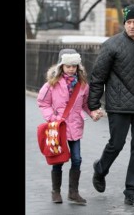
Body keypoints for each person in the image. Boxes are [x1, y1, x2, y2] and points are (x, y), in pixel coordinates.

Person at [87, 4, 134, 208]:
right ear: (124, 24)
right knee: (116, 144)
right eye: (128, 22)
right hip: (118, 105)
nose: (131, 26)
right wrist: (93, 105)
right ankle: (100, 169)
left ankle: (131, 191)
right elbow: (98, 77)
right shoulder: (111, 45)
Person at [37, 48, 103, 204]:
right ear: (61, 66)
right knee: (58, 159)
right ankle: (56, 192)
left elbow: (85, 104)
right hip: (58, 127)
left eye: (74, 66)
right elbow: (43, 103)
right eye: (68, 66)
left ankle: (73, 192)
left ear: (78, 67)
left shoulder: (82, 85)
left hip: (75, 126)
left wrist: (92, 113)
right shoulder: (51, 84)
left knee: (77, 159)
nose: (71, 69)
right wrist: (52, 117)